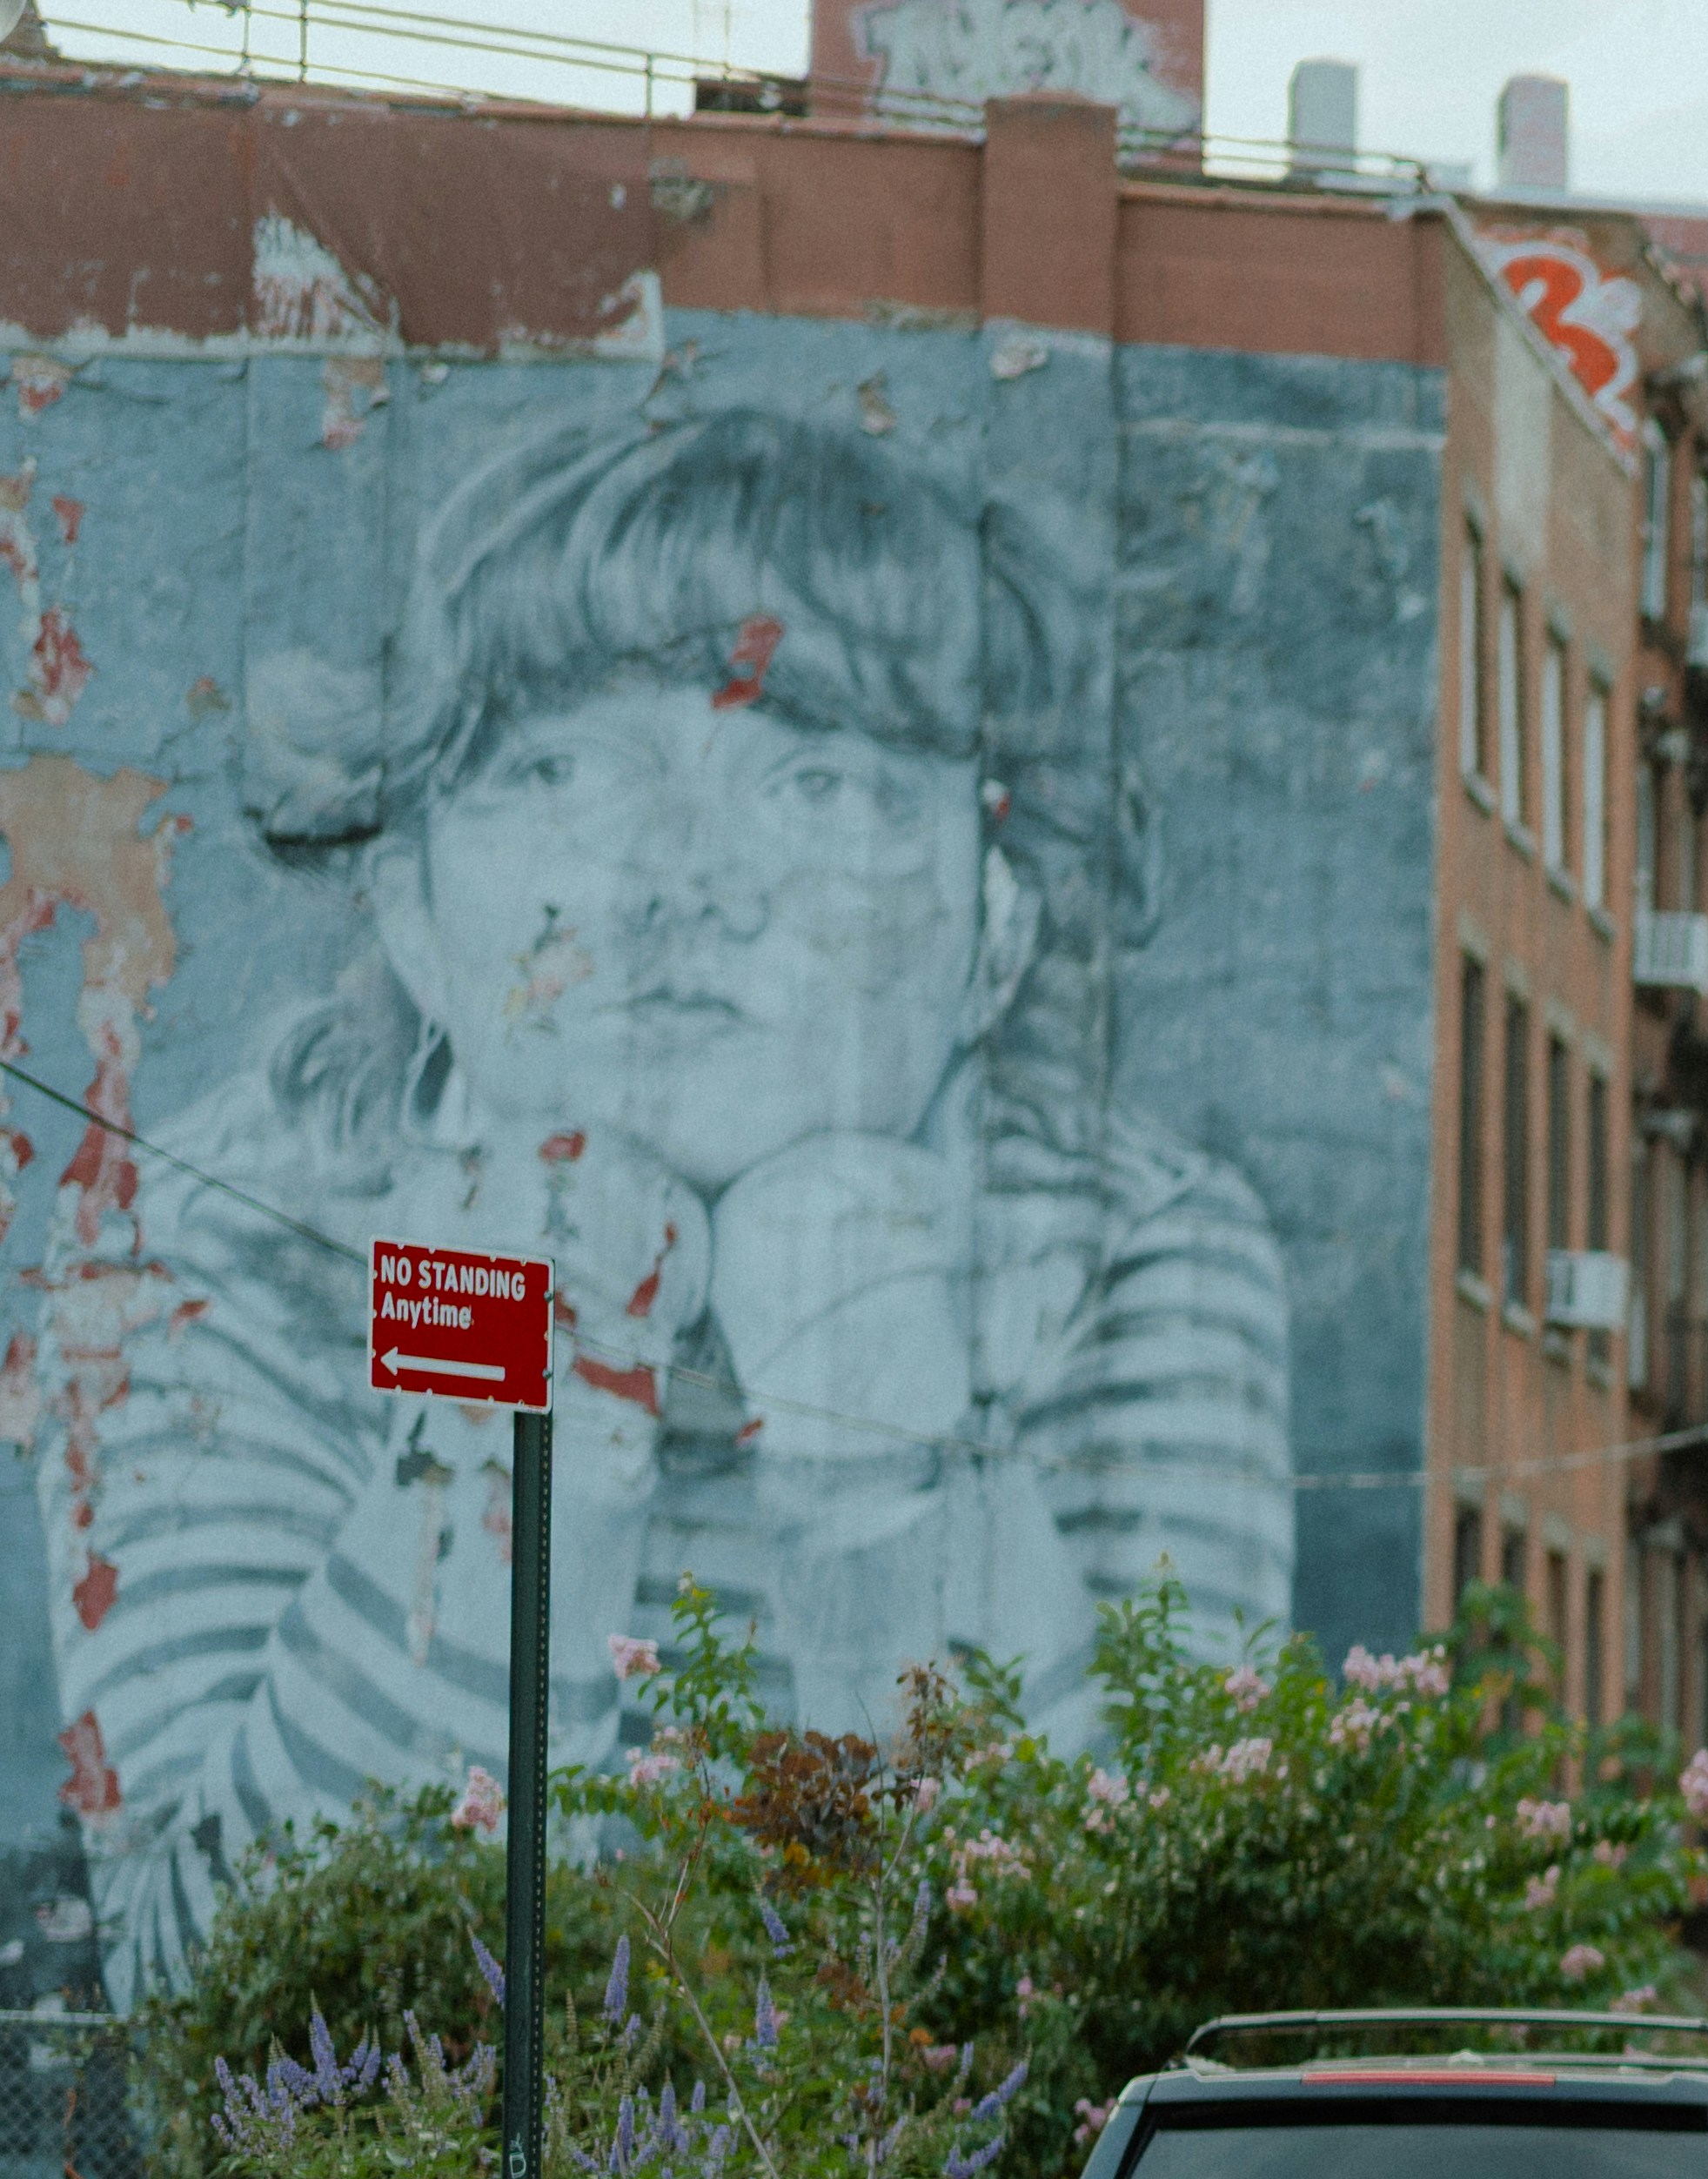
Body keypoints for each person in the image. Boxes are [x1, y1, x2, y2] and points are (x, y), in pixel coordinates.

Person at [54, 399, 1293, 1977]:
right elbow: (214, 1994)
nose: (687, 883)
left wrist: (890, 1480)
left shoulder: (1134, 1254)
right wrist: (515, 1410)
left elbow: (1133, 2006)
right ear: (413, 914)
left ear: (996, 936)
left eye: (825, 787)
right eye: (569, 771)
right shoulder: (203, 1246)